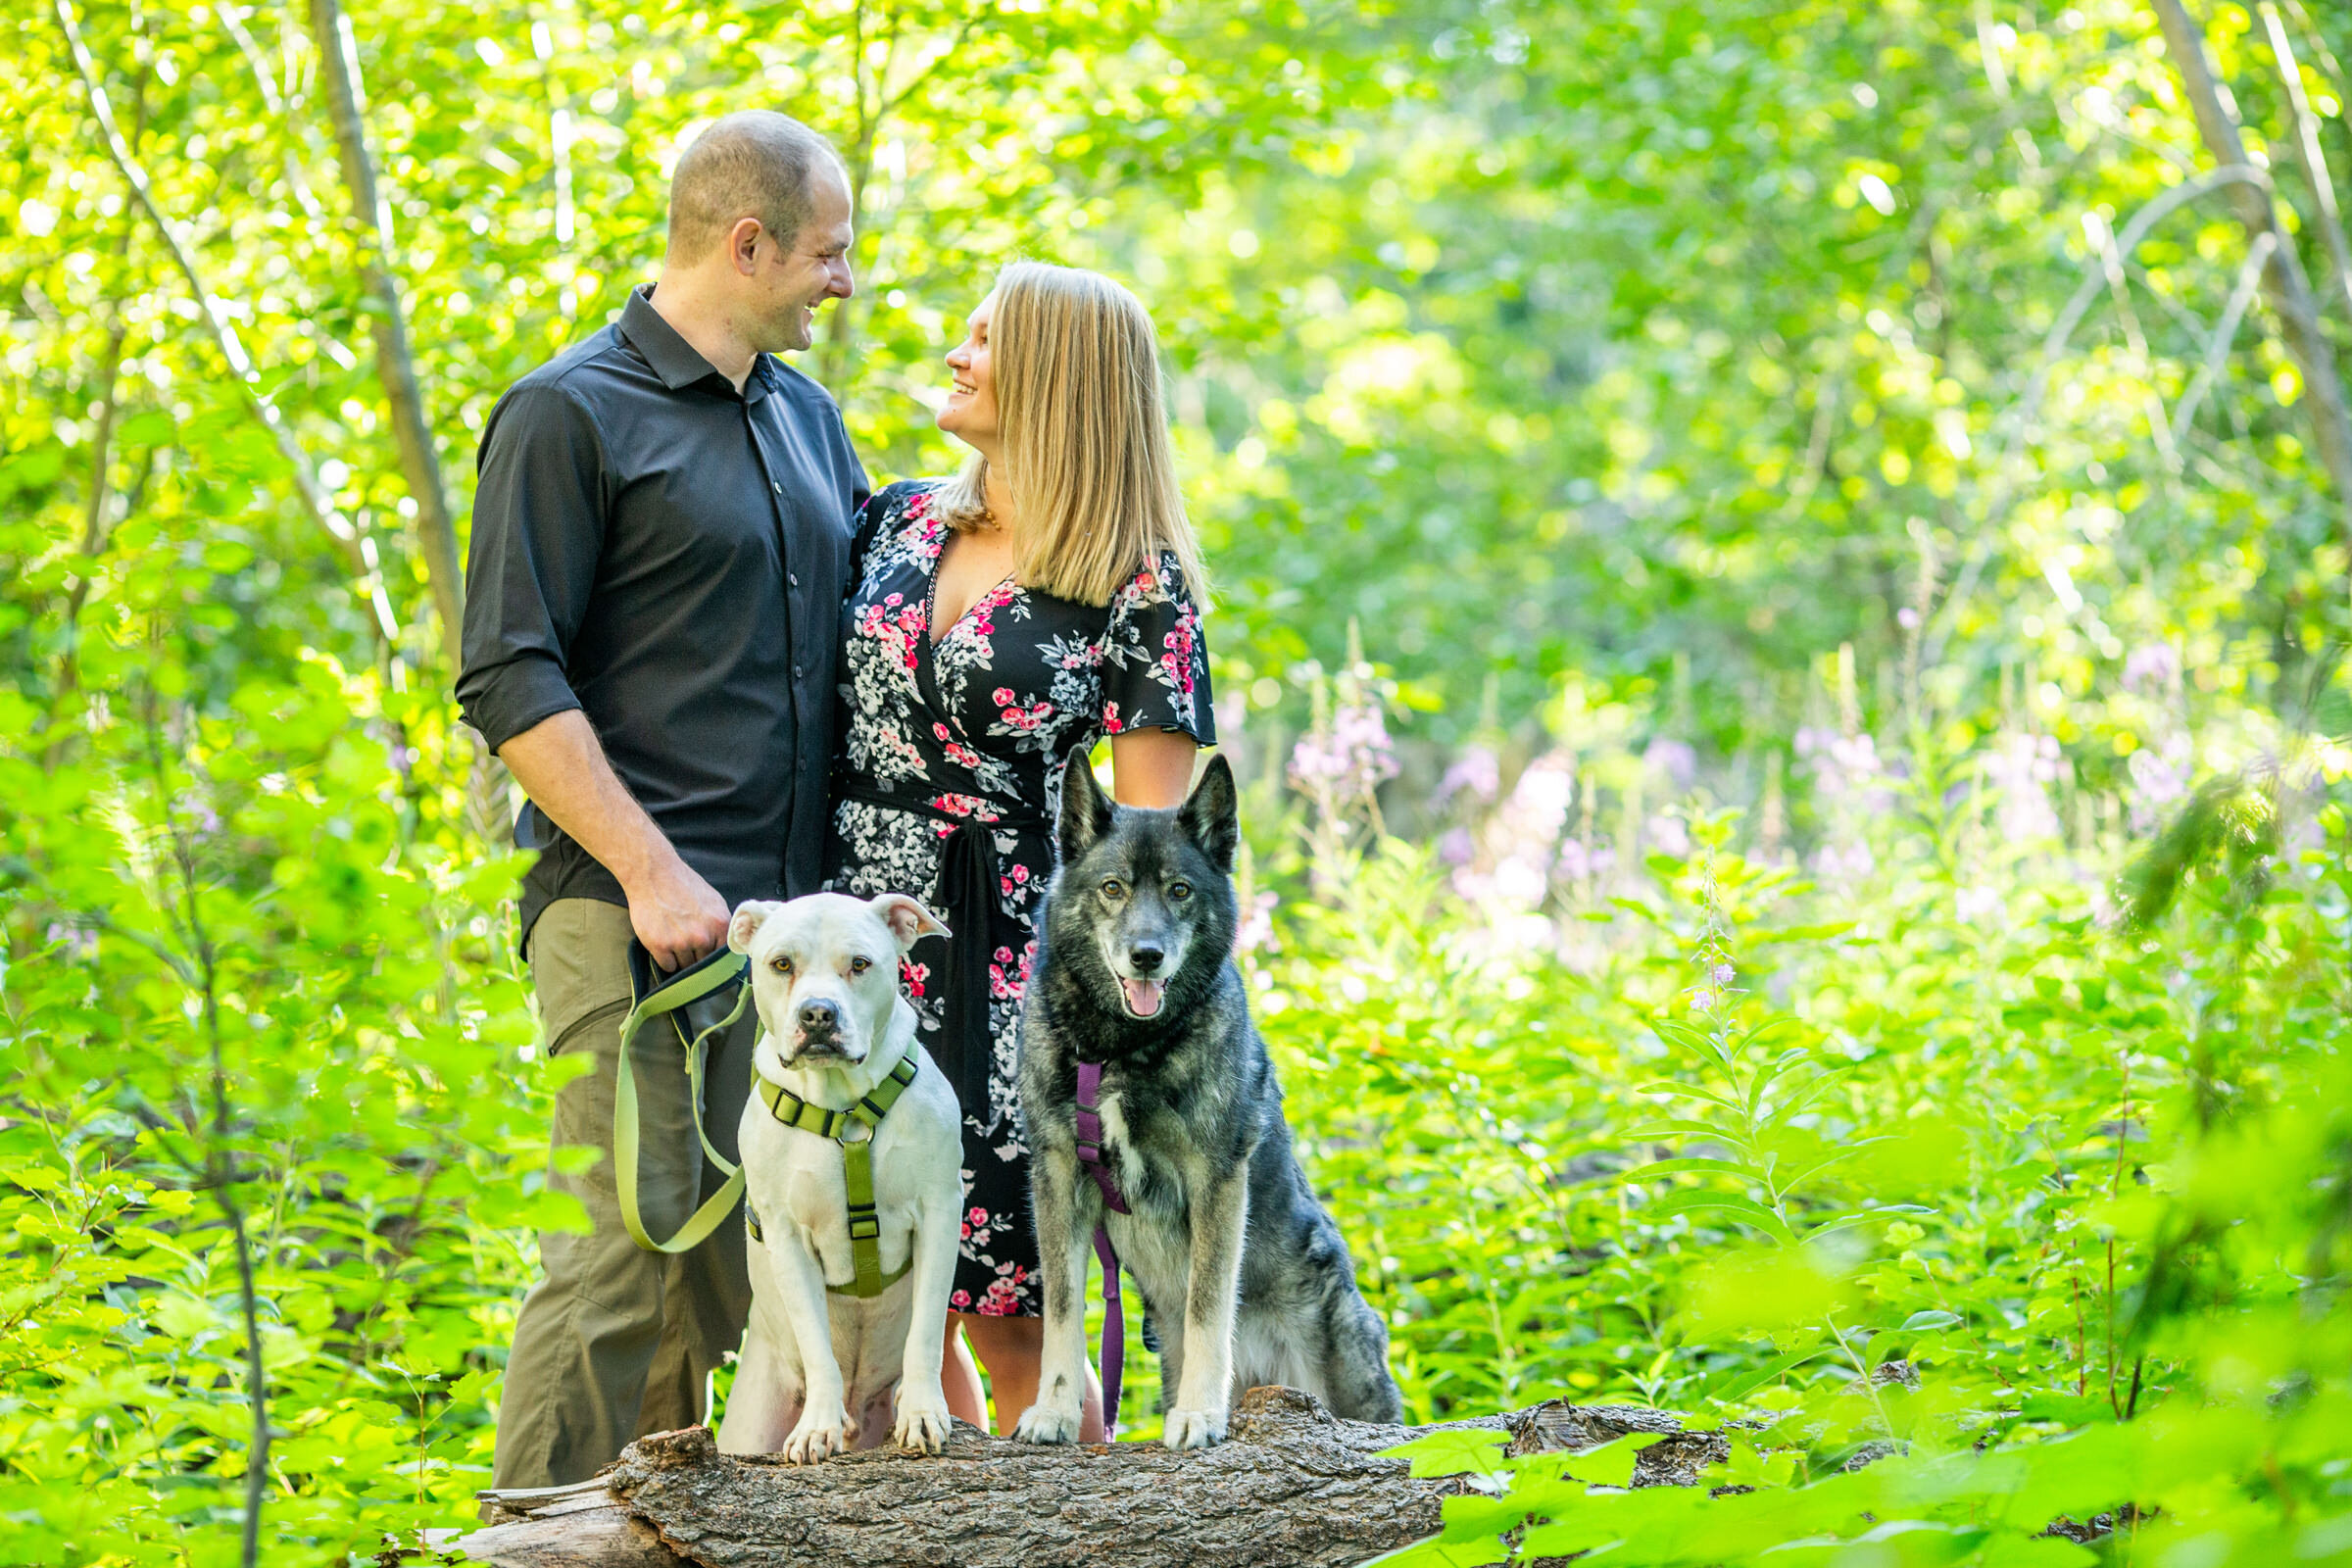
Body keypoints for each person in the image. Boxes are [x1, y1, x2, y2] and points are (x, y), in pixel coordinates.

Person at [457, 111, 868, 1490]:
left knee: (742, 1267)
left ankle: (664, 1532)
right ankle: (532, 1537)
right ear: (745, 243)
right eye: (829, 252)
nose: (845, 283)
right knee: (625, 1252)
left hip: (786, 951)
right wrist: (649, 874)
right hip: (618, 913)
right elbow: (508, 676)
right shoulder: (566, 411)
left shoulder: (812, 423)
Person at [822, 261, 1215, 1438]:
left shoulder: (1137, 581)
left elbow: (1156, 867)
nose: (956, 353)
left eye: (986, 340)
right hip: (852, 947)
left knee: (1012, 1321)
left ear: (1059, 378)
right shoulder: (894, 521)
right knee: (885, 1306)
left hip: (1015, 972)